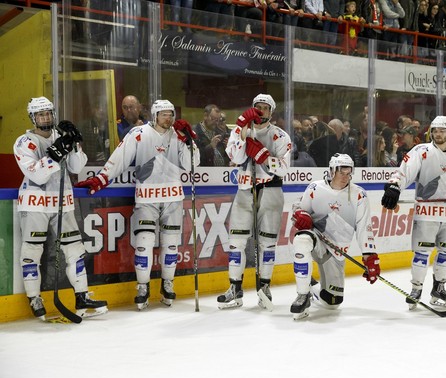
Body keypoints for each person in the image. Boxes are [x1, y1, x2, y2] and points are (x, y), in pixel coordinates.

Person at [76, 100, 200, 310]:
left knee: (171, 244)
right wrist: (101, 178)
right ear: (154, 115)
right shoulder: (138, 134)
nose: (168, 118)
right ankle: (143, 286)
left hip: (173, 197)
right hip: (146, 196)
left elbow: (192, 166)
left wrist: (189, 141)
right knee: (144, 242)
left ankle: (167, 283)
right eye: (163, 114)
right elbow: (119, 159)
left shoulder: (179, 135)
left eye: (171, 114)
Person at [14, 97, 108, 320]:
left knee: (75, 249)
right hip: (34, 202)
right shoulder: (23, 142)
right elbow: (35, 173)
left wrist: (75, 144)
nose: (45, 118)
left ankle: (82, 296)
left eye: (48, 113)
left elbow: (76, 166)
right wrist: (55, 154)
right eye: (40, 115)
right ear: (33, 118)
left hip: (62, 201)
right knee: (31, 252)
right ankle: (35, 297)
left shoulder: (61, 137)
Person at [381, 115, 446, 310]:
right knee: (422, 252)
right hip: (427, 211)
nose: (438, 134)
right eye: (435, 131)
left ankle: (439, 287)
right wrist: (394, 187)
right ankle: (416, 288)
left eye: (442, 131)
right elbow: (404, 171)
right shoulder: (421, 151)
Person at [216, 94, 292, 309]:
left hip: (270, 190)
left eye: (265, 108)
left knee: (267, 242)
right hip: (244, 189)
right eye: (257, 107)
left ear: (271, 111)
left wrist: (263, 156)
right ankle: (235, 288)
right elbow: (237, 158)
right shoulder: (240, 131)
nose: (260, 111)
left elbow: (284, 168)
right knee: (236, 242)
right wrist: (241, 129)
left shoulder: (280, 136)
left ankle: (265, 286)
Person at [290, 153, 380, 319]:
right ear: (332, 171)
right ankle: (302, 295)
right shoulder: (315, 188)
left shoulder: (359, 194)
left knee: (332, 302)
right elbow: (299, 211)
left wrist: (370, 256)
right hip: (317, 241)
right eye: (341, 172)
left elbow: (363, 227)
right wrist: (300, 215)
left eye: (348, 173)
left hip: (337, 251)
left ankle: (311, 287)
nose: (345, 177)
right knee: (301, 239)